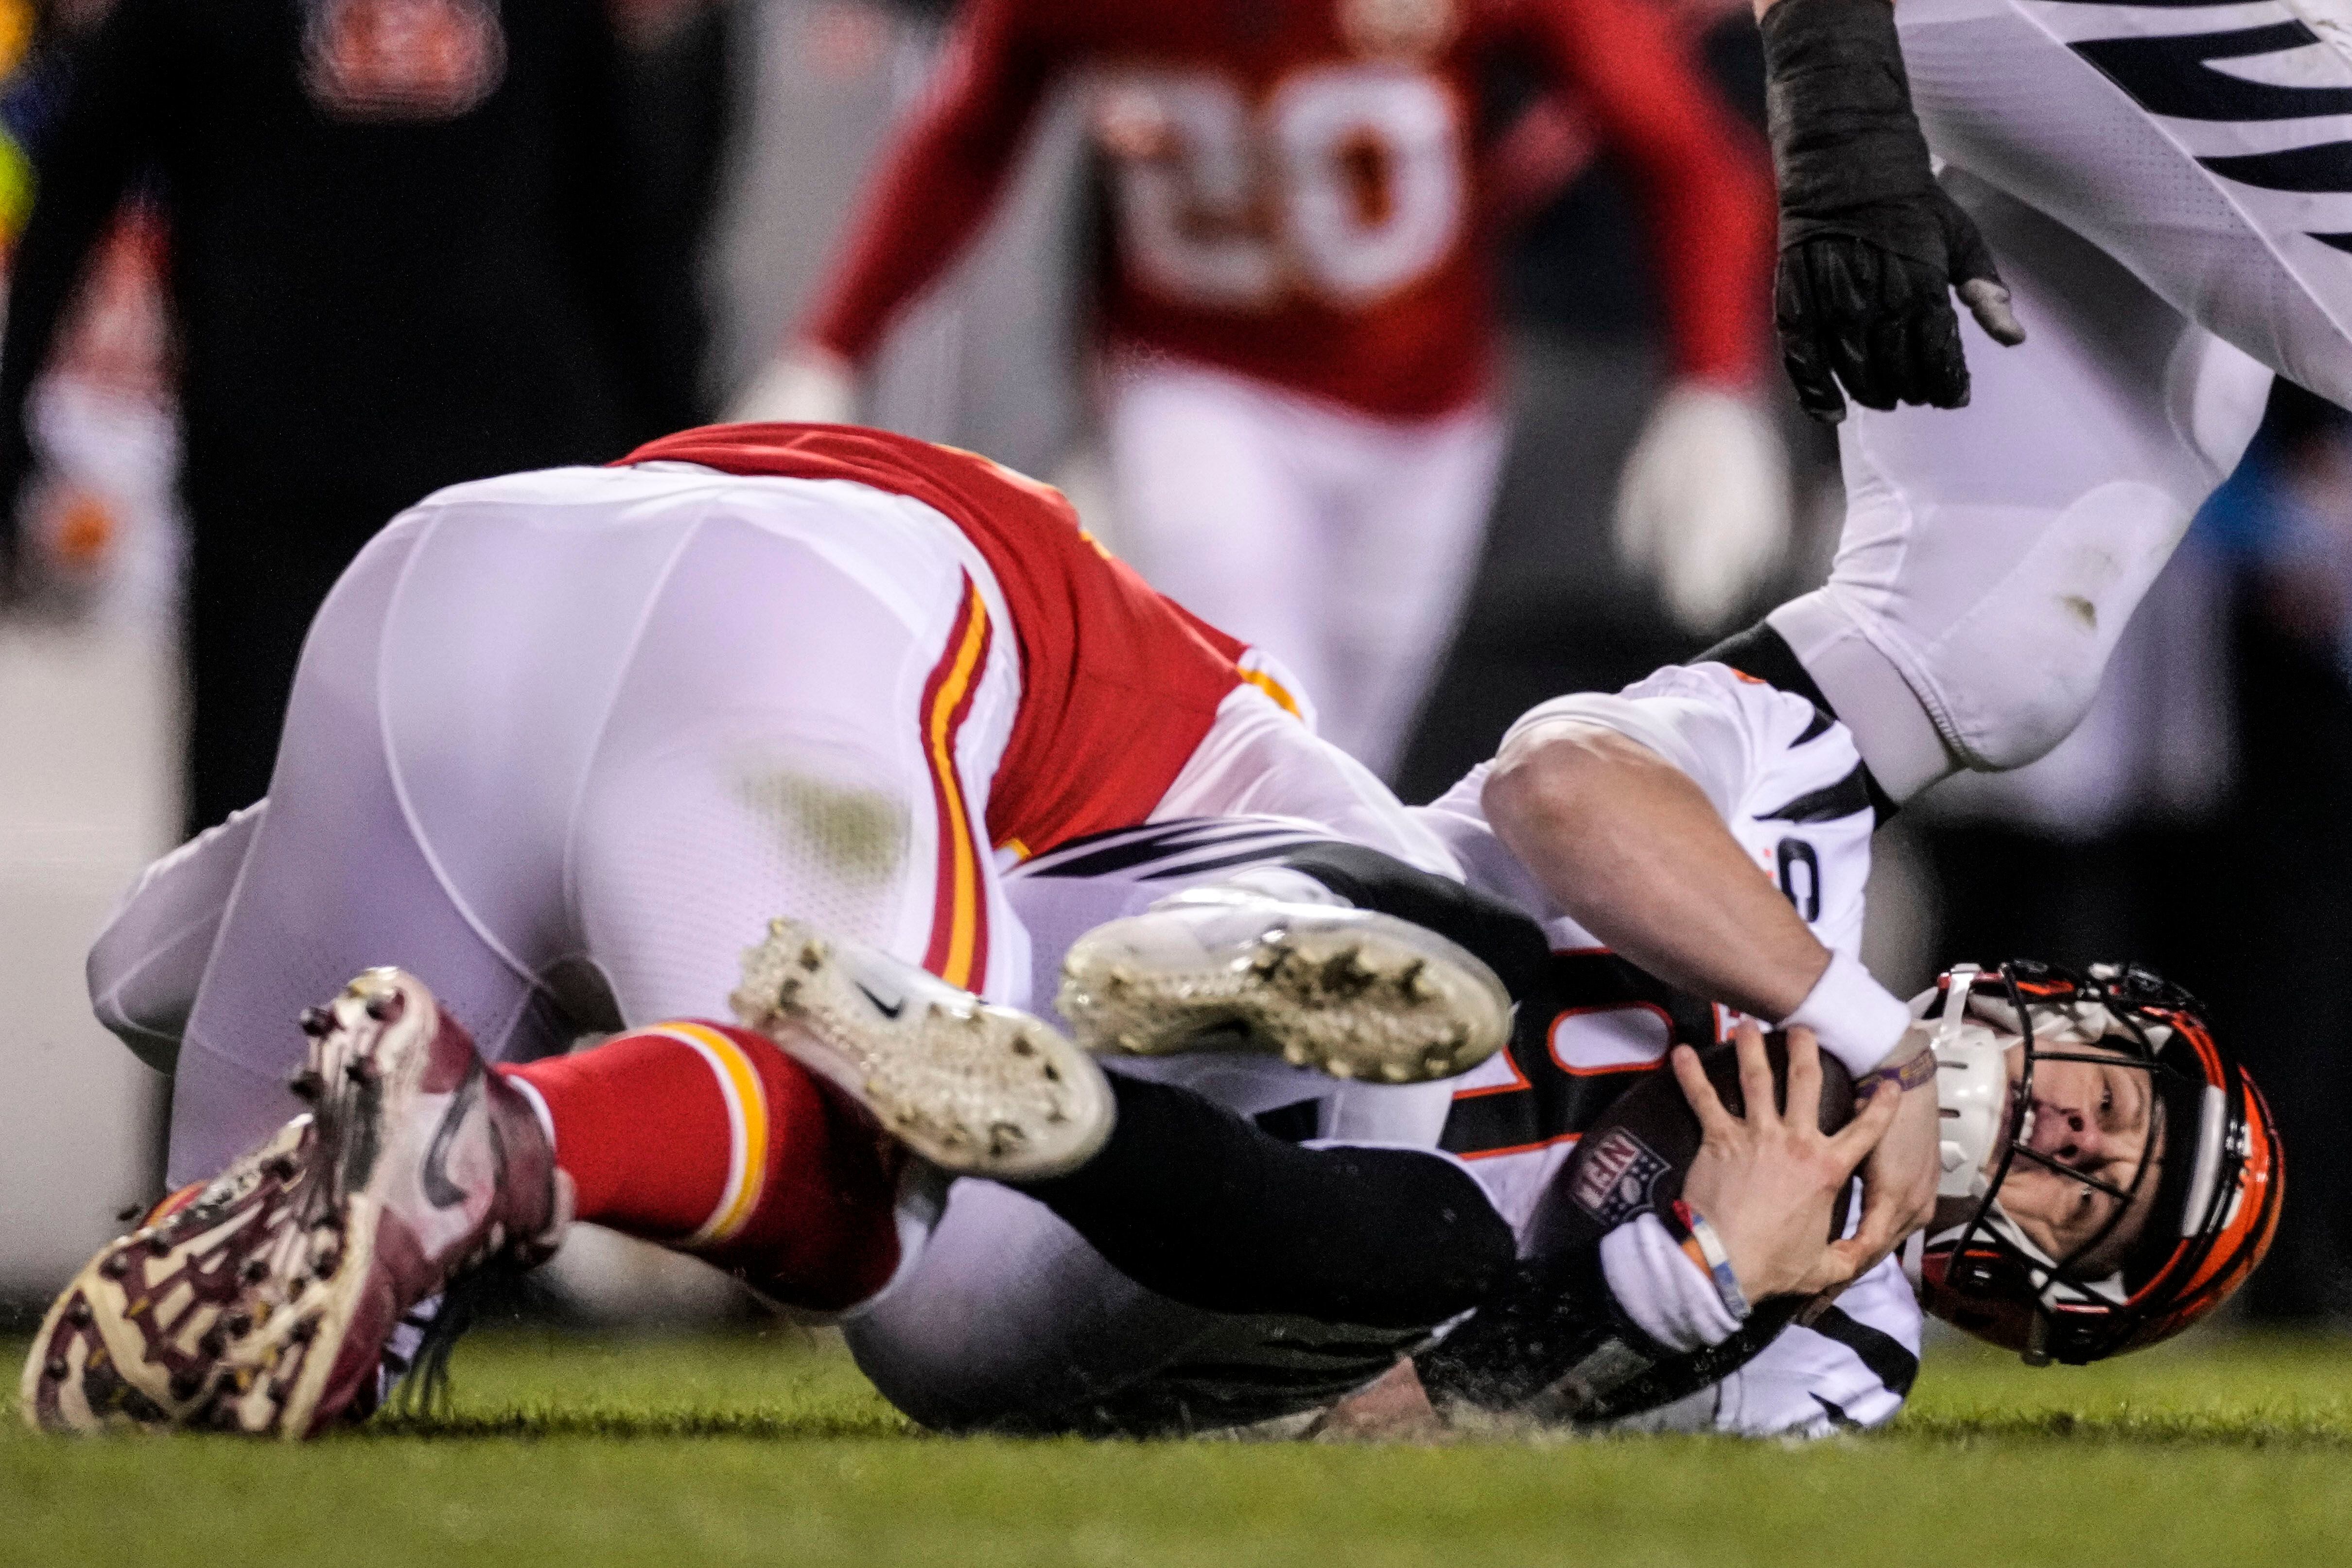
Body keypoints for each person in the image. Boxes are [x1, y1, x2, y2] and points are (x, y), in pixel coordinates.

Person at [735, 0, 1780, 775]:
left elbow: (1685, 155)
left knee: (1350, 746)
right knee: (1260, 717)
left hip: (1425, 411)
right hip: (1197, 377)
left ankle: (1296, 1015)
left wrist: (1712, 383)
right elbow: (965, 139)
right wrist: (833, 343)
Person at [0, 0, 704, 835]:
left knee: (501, 819)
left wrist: (685, 451)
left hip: (493, 471)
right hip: (287, 476)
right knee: (260, 817)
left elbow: (620, 210)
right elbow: (85, 174)